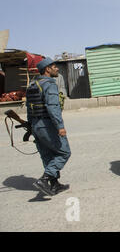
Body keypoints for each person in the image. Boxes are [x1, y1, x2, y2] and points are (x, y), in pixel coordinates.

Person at [26, 58, 71, 196]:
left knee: (47, 155)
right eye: (54, 66)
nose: (57, 69)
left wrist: (30, 126)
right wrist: (60, 126)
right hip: (47, 125)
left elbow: (29, 108)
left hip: (36, 125)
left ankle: (54, 184)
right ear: (47, 69)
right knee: (64, 152)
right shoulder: (49, 84)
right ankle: (45, 179)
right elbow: (53, 107)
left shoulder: (33, 84)